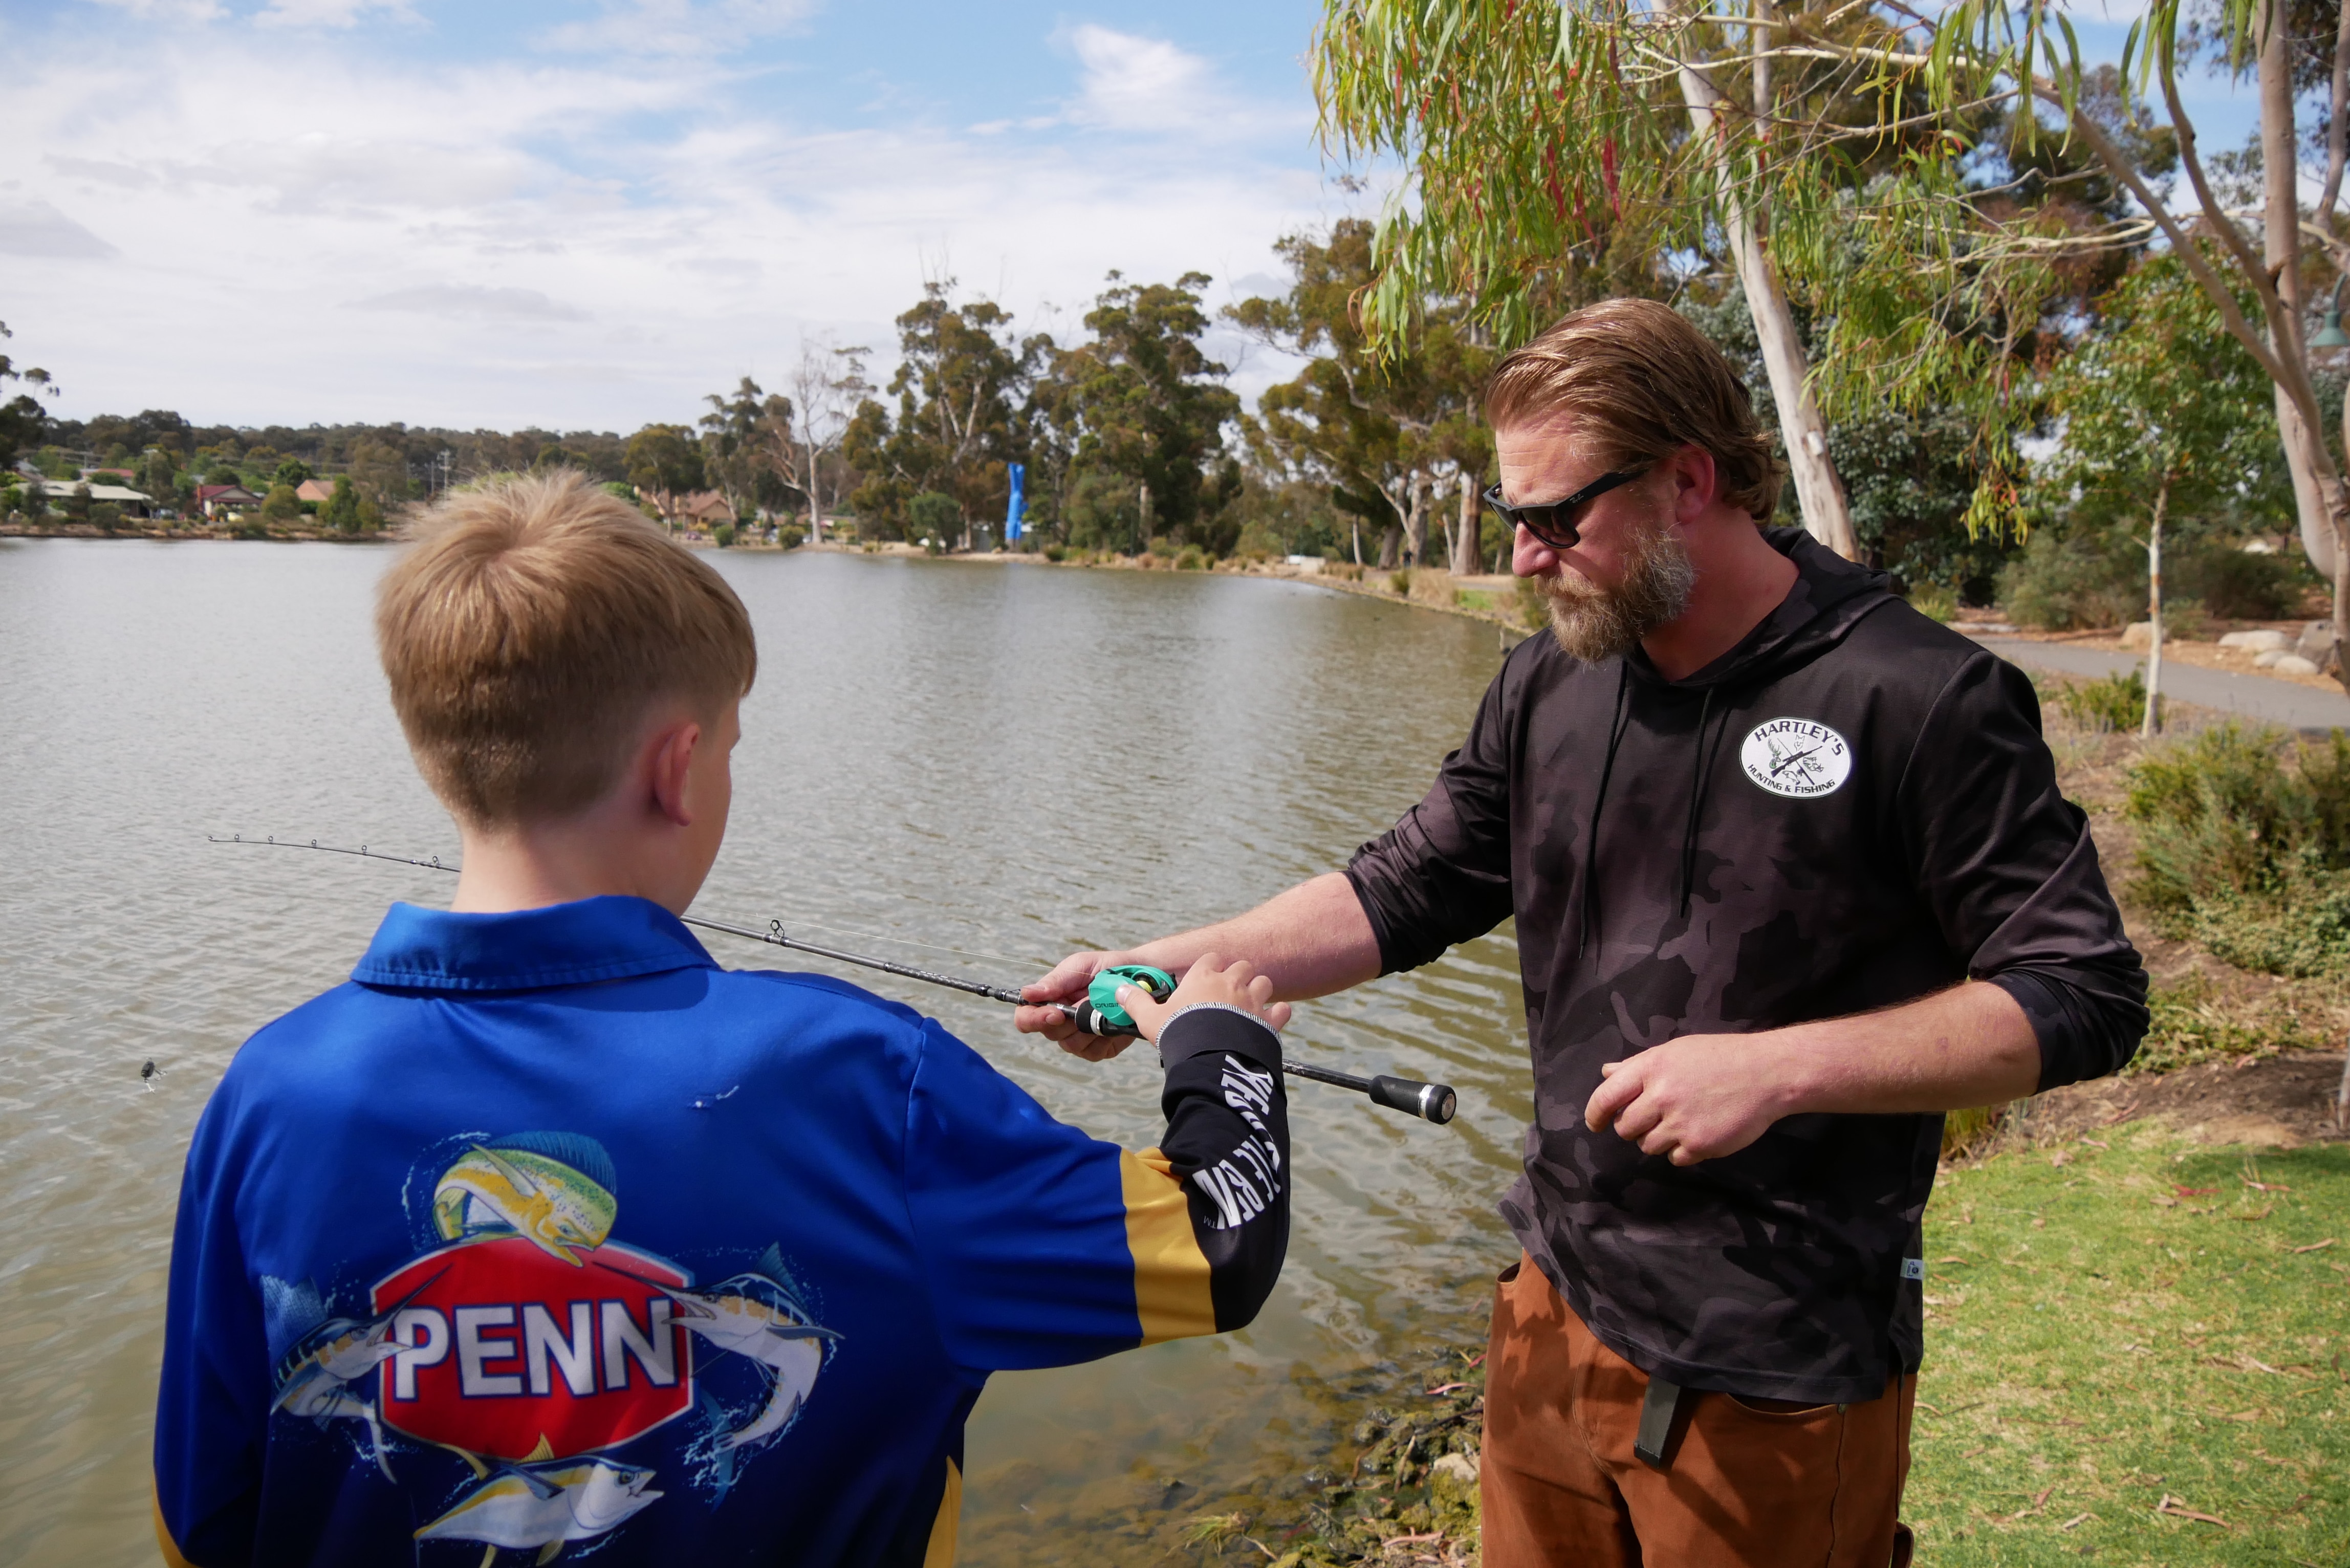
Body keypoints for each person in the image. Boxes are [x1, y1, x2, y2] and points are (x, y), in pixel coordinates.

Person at [1017, 299, 2148, 1568]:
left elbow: (2083, 990)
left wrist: (1780, 1066)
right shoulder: (1555, 677)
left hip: (1776, 1364)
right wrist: (1170, 967)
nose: (1525, 559)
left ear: (1687, 481)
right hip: (1551, 1313)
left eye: (1560, 519)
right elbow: (1404, 884)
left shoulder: (1917, 696)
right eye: (1515, 520)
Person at [154, 473, 1292, 1567]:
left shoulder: (270, 1095)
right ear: (680, 768)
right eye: (733, 747)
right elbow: (1213, 1242)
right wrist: (1218, 1039)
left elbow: (199, 1520)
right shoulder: (855, 1075)